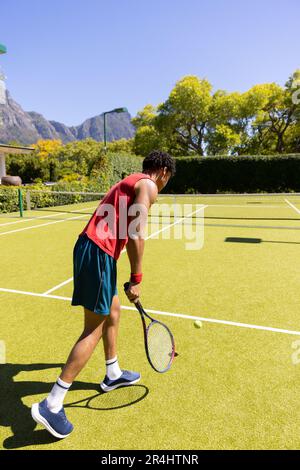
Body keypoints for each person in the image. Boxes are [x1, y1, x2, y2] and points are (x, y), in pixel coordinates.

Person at [31, 150, 176, 439]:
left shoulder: (130, 181)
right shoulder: (147, 185)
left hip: (96, 251)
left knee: (113, 311)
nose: (163, 185)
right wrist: (136, 278)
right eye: (167, 180)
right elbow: (136, 232)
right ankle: (52, 403)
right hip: (97, 252)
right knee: (93, 329)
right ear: (162, 172)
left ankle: (112, 374)